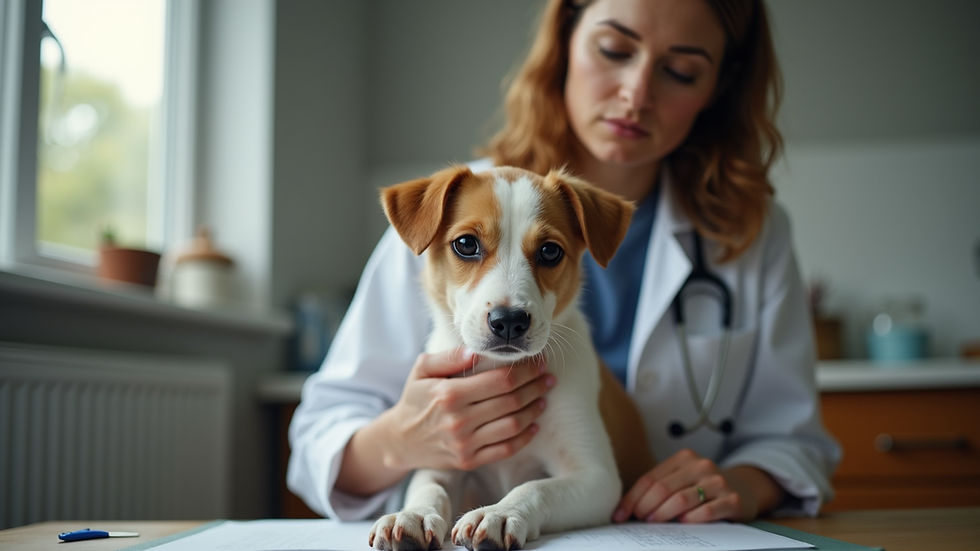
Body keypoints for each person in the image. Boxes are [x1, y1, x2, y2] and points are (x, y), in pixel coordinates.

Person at [287, 0, 840, 525]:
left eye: (681, 70)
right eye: (615, 50)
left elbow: (794, 443)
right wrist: (400, 440)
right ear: (566, 41)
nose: (636, 93)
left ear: (718, 87)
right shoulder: (454, 203)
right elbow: (318, 437)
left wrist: (739, 485)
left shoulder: (748, 233)